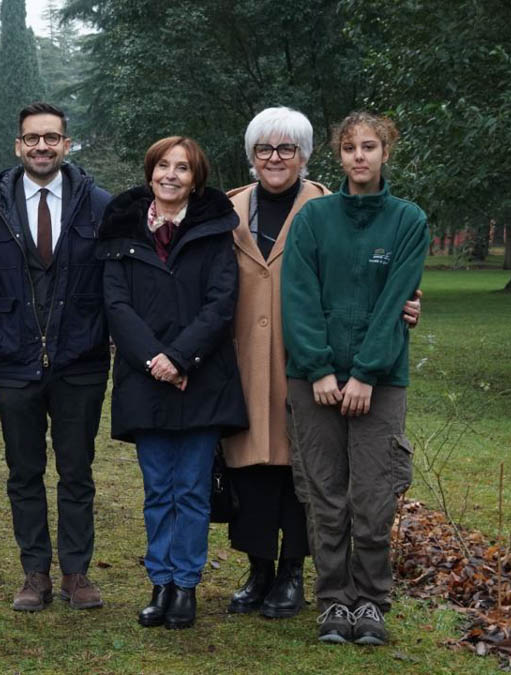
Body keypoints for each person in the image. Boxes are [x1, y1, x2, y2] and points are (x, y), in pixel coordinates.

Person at [223, 107, 422, 619]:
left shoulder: (377, 216)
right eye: (264, 148)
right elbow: (293, 294)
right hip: (274, 363)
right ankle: (291, 582)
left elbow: (388, 291)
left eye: (286, 148)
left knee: (344, 488)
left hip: (343, 367)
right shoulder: (250, 212)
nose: (274, 157)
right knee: (284, 478)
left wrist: (368, 364)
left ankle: (335, 588)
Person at [281, 111, 428, 646]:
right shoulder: (313, 219)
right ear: (338, 156)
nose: (359, 156)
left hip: (381, 379)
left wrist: (366, 374)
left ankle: (371, 602)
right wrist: (319, 367)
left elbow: (397, 300)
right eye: (349, 147)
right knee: (325, 495)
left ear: (385, 153)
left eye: (369, 146)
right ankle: (334, 603)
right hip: (312, 378)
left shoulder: (408, 220)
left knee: (372, 495)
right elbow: (297, 298)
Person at [97, 137, 248, 629]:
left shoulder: (214, 232)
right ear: (149, 173)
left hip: (202, 379)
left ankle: (186, 586)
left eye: (182, 168)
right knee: (158, 489)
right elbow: (117, 306)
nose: (171, 175)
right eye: (163, 166)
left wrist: (181, 359)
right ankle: (159, 583)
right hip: (145, 382)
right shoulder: (122, 232)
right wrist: (155, 362)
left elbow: (221, 303)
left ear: (195, 179)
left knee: (192, 491)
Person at [0, 102, 112, 612]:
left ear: (67, 144)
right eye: (32, 138)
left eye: (52, 137)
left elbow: (115, 284)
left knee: (77, 472)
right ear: (18, 146)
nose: (42, 146)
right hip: (12, 360)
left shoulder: (99, 204)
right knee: (22, 473)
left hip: (82, 361)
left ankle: (76, 573)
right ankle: (35, 574)